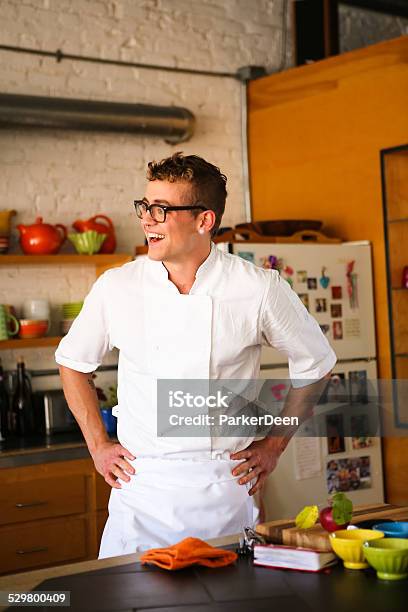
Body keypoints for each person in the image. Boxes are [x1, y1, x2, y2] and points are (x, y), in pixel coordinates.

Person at [56, 152, 336, 558]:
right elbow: (72, 364)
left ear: (204, 220)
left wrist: (273, 446)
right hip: (142, 491)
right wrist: (98, 446)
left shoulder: (258, 288)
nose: (147, 219)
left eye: (161, 209)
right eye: (145, 206)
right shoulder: (116, 287)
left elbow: (317, 366)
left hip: (224, 487)